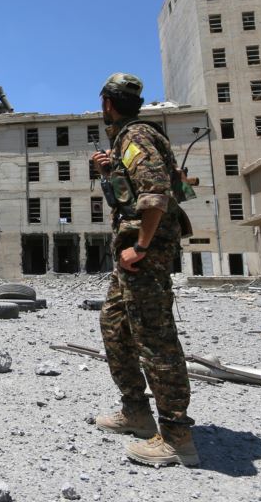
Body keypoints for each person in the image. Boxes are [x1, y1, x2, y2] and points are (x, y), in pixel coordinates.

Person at [90, 72, 198, 467]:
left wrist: (140, 247)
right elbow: (132, 193)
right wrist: (106, 172)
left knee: (155, 338)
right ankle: (136, 411)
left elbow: (155, 197)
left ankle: (176, 436)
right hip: (132, 255)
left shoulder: (136, 138)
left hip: (142, 255)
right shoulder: (128, 141)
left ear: (107, 104)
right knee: (115, 325)